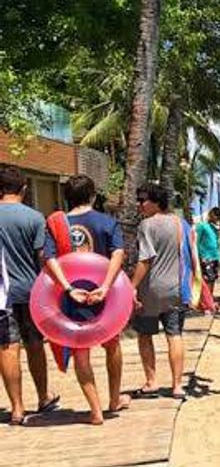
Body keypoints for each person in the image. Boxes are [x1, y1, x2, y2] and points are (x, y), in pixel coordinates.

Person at [43, 175, 129, 424]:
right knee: (112, 345)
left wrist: (68, 288)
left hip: (73, 298)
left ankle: (95, 411)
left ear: (66, 197)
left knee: (81, 353)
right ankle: (114, 399)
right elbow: (118, 254)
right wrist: (104, 286)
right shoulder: (106, 222)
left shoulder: (56, 224)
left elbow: (49, 260)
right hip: (106, 297)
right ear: (93, 195)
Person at [0, 166, 59, 424]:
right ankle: (43, 396)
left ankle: (16, 408)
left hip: (1, 294)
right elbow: (43, 256)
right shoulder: (35, 218)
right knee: (34, 343)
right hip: (30, 291)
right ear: (24, 188)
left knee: (7, 347)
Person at [130, 182, 198, 399]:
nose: (139, 204)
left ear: (156, 201)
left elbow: (145, 259)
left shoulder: (146, 226)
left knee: (145, 335)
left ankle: (151, 383)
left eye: (143, 200)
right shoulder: (181, 223)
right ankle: (177, 386)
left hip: (149, 291)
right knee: (175, 335)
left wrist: (131, 287)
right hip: (177, 289)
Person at [195, 207, 220, 296]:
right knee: (207, 279)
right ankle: (207, 298)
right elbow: (196, 241)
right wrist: (198, 256)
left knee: (213, 278)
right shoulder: (202, 226)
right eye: (216, 216)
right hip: (206, 257)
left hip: (214, 257)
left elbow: (217, 244)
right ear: (211, 215)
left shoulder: (215, 229)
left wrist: (219, 258)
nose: (217, 219)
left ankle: (210, 297)